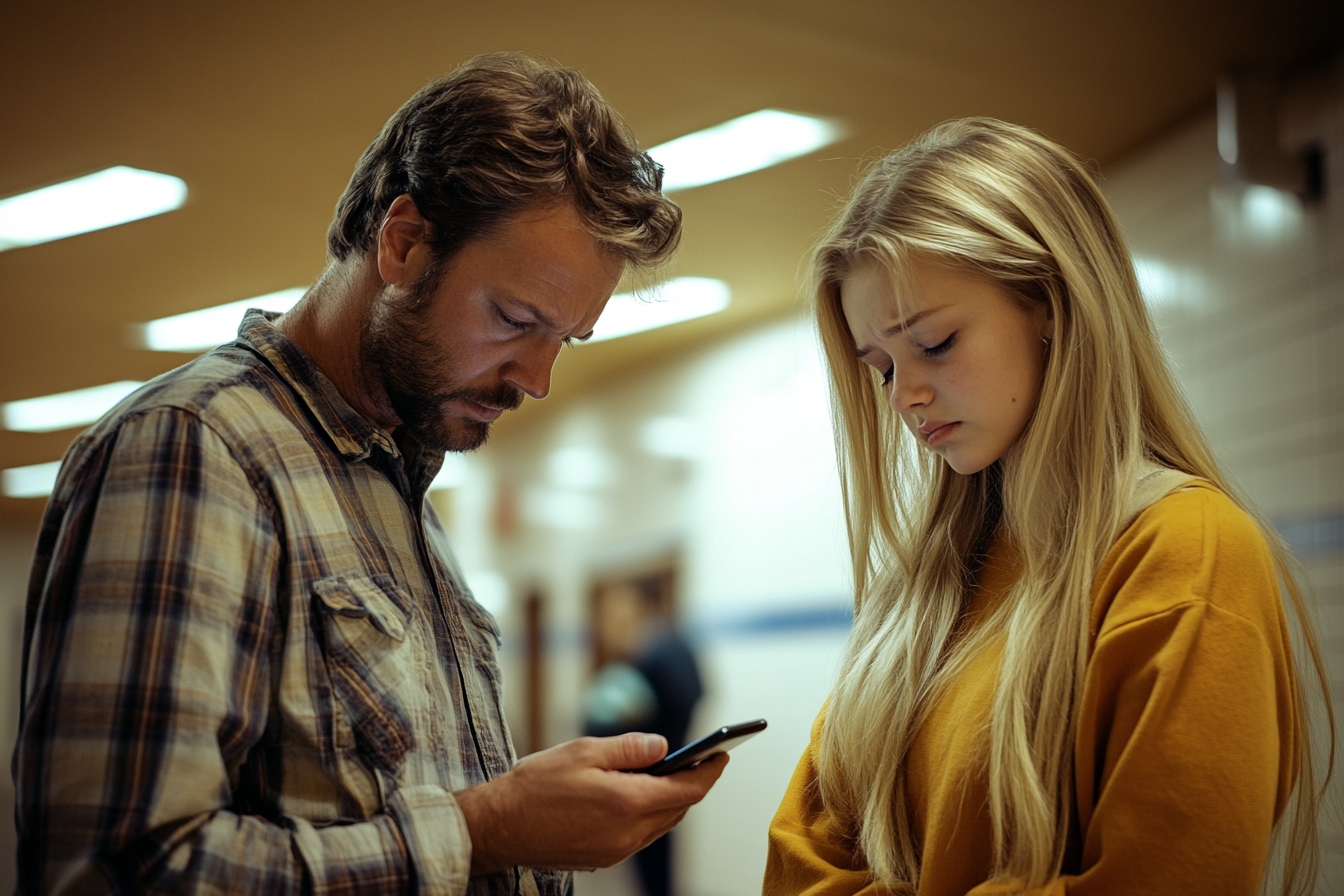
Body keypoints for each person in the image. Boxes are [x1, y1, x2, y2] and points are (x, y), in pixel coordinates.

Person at [13, 52, 726, 895]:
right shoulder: (194, 449)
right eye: (513, 319)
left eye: (562, 340)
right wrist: (485, 829)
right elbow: (112, 871)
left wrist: (530, 821)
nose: (535, 379)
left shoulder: (401, 493)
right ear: (404, 243)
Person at [763, 119, 1332, 896]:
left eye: (934, 343)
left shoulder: (1185, 551)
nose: (905, 396)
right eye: (881, 367)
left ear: (1053, 306)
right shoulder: (926, 591)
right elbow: (795, 867)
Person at [583, 582, 704, 896]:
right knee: (656, 861)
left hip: (655, 769)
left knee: (654, 865)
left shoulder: (655, 652)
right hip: (666, 767)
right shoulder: (669, 646)